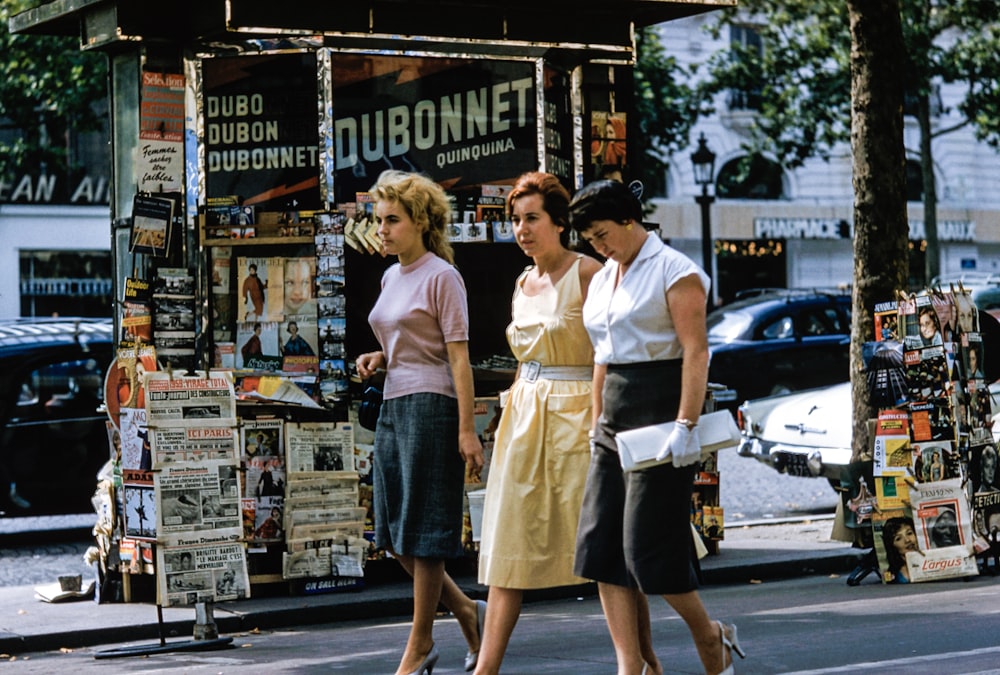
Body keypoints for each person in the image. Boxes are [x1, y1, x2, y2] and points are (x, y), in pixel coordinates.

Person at [568, 179, 745, 675]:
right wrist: (595, 417)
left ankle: (710, 637)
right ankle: (632, 664)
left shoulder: (675, 270)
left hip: (663, 407)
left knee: (647, 549)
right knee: (600, 548)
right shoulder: (604, 277)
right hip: (614, 415)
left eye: (603, 234)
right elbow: (602, 354)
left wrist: (685, 423)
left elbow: (696, 350)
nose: (598, 246)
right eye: (590, 240)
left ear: (630, 219)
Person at [355, 170, 485, 675]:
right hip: (394, 403)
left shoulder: (442, 276)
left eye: (392, 220)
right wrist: (379, 357)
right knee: (392, 531)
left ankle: (421, 642)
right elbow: (403, 344)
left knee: (425, 530)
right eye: (378, 220)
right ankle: (468, 611)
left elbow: (458, 358)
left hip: (433, 406)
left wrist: (466, 429)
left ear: (421, 223)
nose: (381, 229)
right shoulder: (391, 276)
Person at [474, 172, 603, 674]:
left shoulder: (589, 273)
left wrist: (601, 417)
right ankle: (486, 668)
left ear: (559, 222)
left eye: (532, 218)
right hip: (526, 413)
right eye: (515, 220)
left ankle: (644, 660)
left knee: (606, 545)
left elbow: (606, 354)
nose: (522, 229)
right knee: (510, 540)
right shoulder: (521, 283)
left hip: (578, 412)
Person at [880, 516, 917, 583]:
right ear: (892, 545)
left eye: (909, 533)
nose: (907, 540)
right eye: (898, 538)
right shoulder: (892, 572)